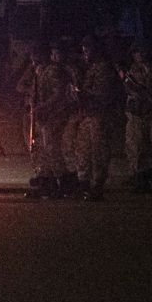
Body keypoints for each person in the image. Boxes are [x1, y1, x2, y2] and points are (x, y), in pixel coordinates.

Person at [74, 36, 120, 201]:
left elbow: (102, 94)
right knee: (83, 151)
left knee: (98, 152)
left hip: (100, 115)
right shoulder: (90, 68)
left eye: (88, 49)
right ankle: (84, 183)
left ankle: (97, 185)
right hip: (88, 115)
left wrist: (82, 94)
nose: (84, 53)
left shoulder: (103, 69)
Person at [121, 42, 152, 193]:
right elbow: (129, 90)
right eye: (136, 52)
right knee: (136, 147)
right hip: (138, 114)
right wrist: (136, 99)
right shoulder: (132, 71)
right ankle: (140, 180)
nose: (140, 55)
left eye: (142, 51)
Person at [22, 44, 70, 199]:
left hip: (52, 116)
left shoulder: (52, 71)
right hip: (42, 117)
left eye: (35, 55)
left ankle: (62, 182)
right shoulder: (38, 71)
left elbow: (58, 93)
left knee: (52, 148)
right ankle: (46, 181)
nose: (32, 59)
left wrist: (44, 106)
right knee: (42, 150)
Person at [52, 39, 83, 197]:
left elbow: (75, 92)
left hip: (71, 113)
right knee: (58, 147)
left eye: (59, 53)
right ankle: (64, 180)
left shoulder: (71, 70)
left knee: (69, 146)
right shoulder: (52, 70)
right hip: (58, 114)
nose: (56, 56)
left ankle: (76, 179)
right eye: (54, 53)